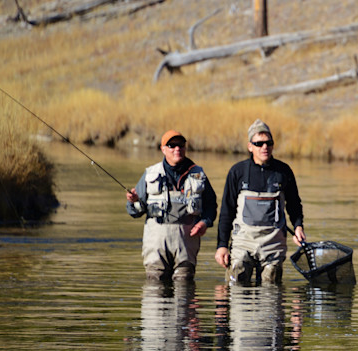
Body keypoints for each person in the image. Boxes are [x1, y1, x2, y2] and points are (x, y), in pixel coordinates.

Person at [214, 119, 306, 285]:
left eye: (269, 143)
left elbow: (294, 204)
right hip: (243, 243)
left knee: (271, 291)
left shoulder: (283, 171)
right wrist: (222, 246)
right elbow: (226, 211)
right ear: (250, 146)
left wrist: (298, 226)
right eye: (259, 143)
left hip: (273, 244)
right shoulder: (237, 172)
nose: (265, 147)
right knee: (236, 284)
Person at [126, 130, 217, 280]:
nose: (177, 149)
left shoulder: (198, 174)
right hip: (156, 245)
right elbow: (135, 212)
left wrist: (204, 222)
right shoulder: (150, 174)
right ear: (163, 149)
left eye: (180, 145)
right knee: (155, 290)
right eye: (172, 145)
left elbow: (211, 205)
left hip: (186, 244)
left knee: (184, 290)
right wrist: (133, 201)